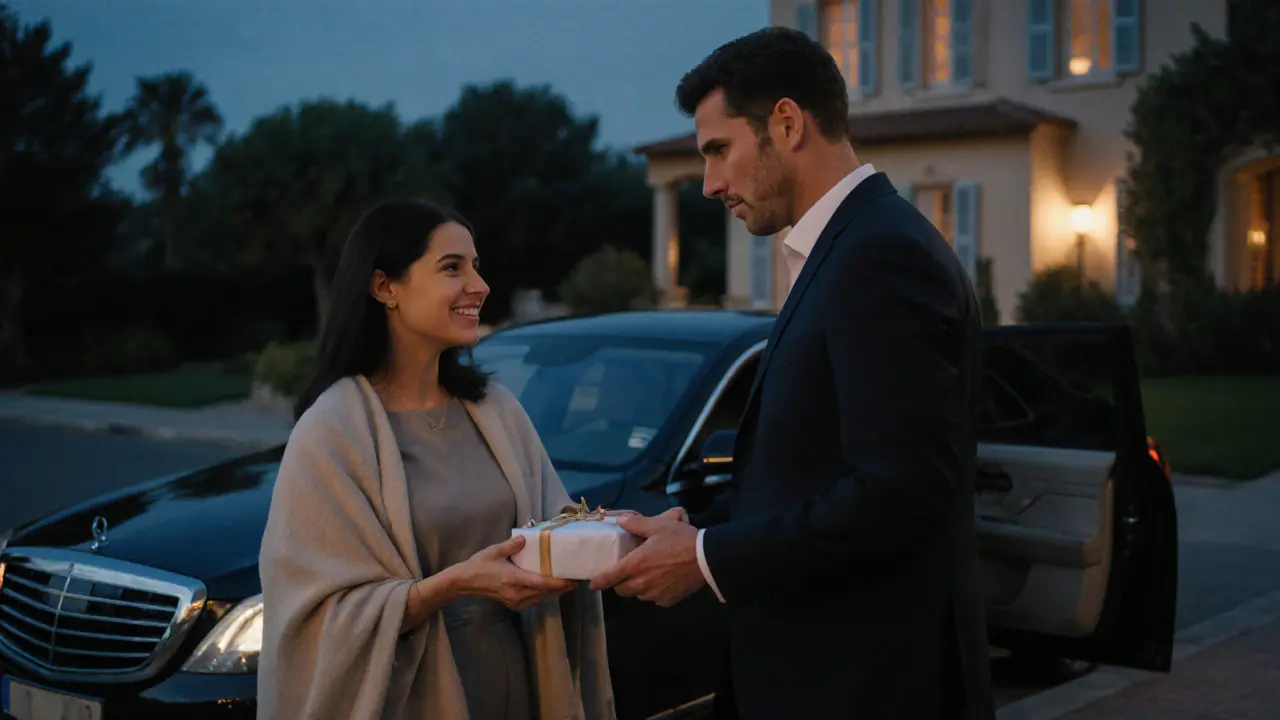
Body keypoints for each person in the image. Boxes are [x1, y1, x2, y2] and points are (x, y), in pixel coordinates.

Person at [589, 27, 996, 720]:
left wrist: (707, 557)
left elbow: (900, 493)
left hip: (865, 688)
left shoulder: (880, 255)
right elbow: (813, 468)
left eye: (719, 150)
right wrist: (690, 530)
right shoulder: (849, 246)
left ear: (786, 123)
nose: (711, 184)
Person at [257, 199, 617, 720]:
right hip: (414, 696)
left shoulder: (495, 410)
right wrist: (452, 586)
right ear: (385, 287)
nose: (480, 286)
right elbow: (315, 614)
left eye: (476, 266)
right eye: (452, 268)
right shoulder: (332, 431)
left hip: (517, 681)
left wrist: (612, 534)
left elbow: (555, 527)